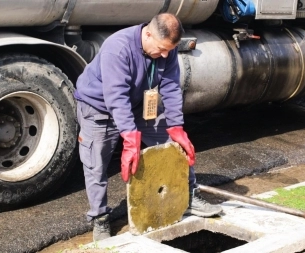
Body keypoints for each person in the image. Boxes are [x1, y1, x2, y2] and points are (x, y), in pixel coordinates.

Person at [74, 13, 222, 241]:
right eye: (162, 49)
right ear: (148, 33)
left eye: (168, 51)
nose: (164, 55)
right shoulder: (118, 47)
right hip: (98, 108)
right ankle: (100, 218)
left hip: (136, 104)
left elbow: (171, 87)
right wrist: (131, 138)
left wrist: (176, 127)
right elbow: (115, 97)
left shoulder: (167, 49)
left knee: (176, 146)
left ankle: (189, 196)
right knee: (96, 165)